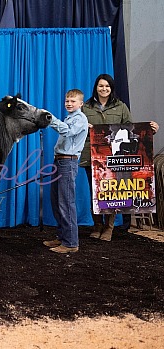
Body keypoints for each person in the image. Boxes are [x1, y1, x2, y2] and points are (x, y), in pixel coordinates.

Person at [80, 74, 159, 241]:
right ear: (96, 87)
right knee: (95, 192)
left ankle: (108, 228)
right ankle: (97, 226)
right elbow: (74, 128)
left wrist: (150, 130)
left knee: (111, 192)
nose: (104, 89)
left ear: (111, 88)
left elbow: (132, 130)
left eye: (107, 86)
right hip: (91, 156)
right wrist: (81, 126)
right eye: (101, 86)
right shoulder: (85, 107)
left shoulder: (120, 107)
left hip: (115, 158)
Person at [43, 89, 88, 254]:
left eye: (73, 101)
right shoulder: (70, 118)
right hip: (60, 160)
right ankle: (62, 236)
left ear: (81, 104)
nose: (69, 104)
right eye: (67, 101)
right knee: (57, 201)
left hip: (68, 162)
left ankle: (70, 243)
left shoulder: (80, 119)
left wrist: (51, 119)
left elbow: (67, 132)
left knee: (66, 202)